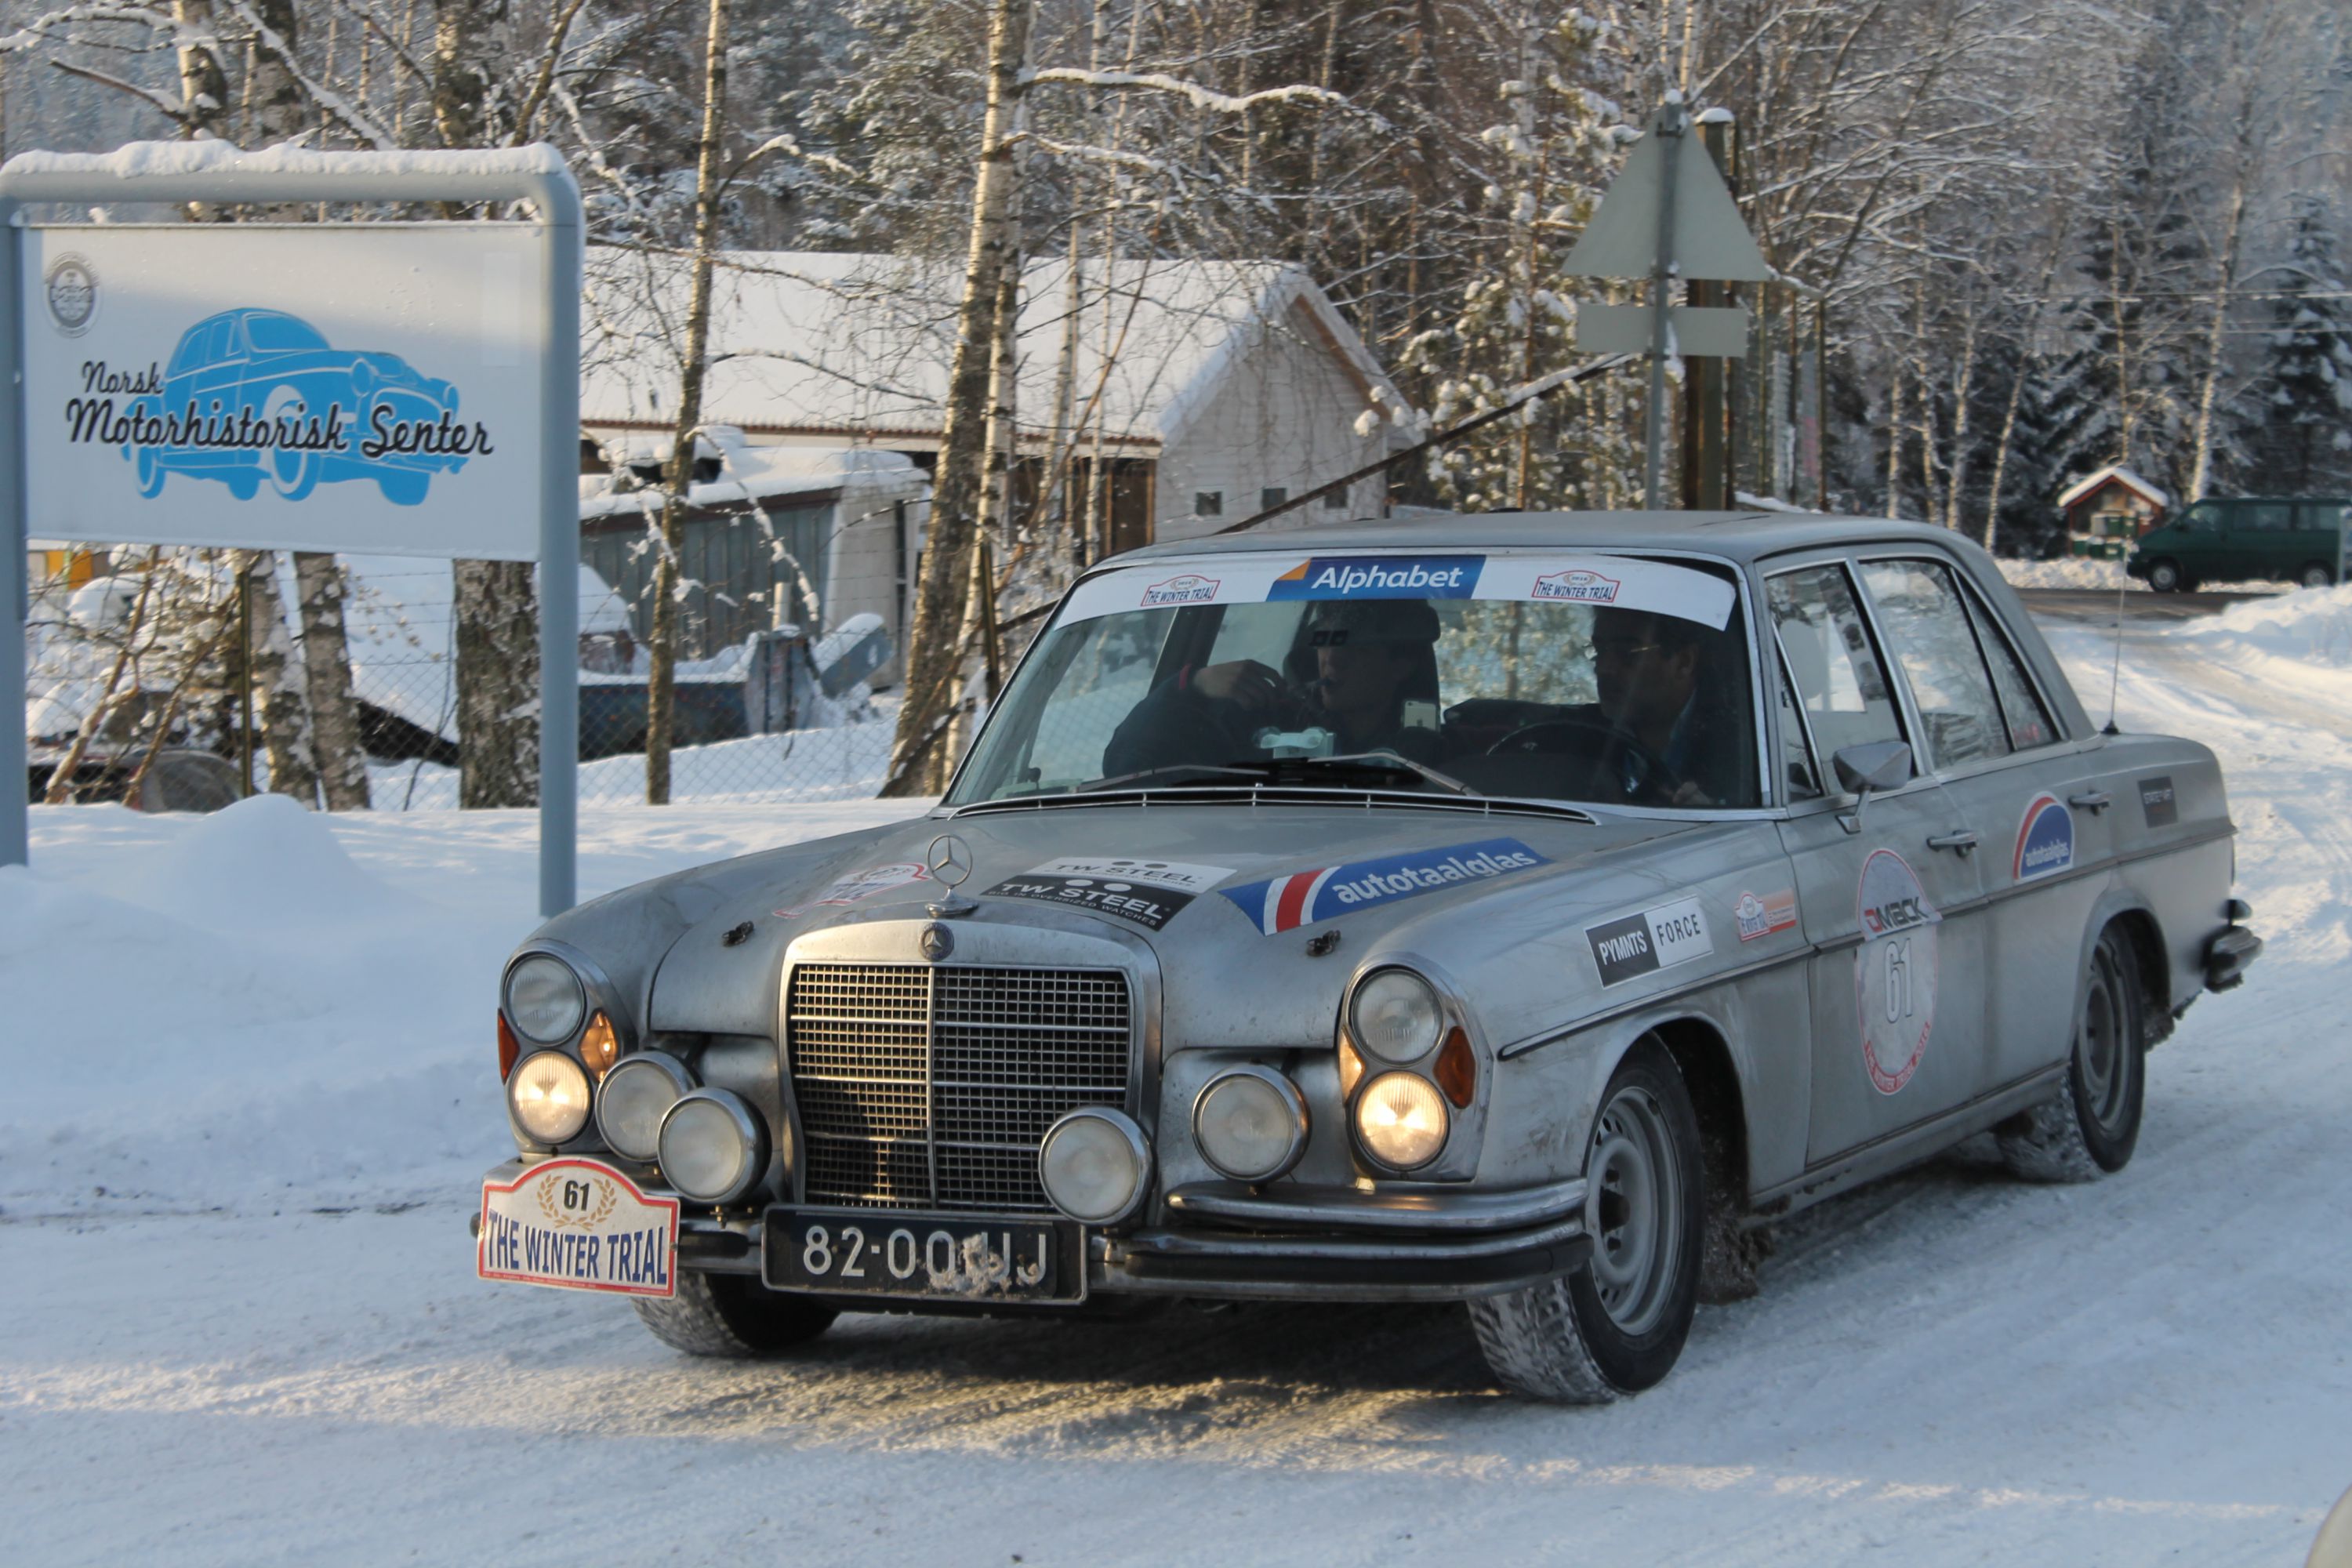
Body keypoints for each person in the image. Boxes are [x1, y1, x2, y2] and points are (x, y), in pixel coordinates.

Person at [1102, 598, 1444, 777]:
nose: (1333, 662)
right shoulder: (1261, 724)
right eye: (1324, 643)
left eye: (1359, 649)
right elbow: (1127, 768)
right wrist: (1192, 686)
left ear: (1402, 665)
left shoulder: (1443, 751)